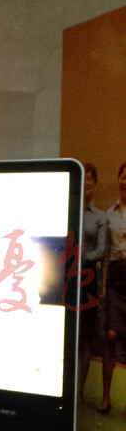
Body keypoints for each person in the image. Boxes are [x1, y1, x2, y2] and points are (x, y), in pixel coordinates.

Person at [100, 161, 126, 414]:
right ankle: (106, 398)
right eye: (124, 176)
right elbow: (106, 254)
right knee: (110, 337)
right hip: (114, 279)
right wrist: (104, 287)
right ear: (119, 180)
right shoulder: (109, 214)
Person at [79, 163, 105, 403]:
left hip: (87, 278)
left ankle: (79, 392)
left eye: (90, 178)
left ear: (95, 183)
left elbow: (102, 249)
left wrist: (82, 258)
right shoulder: (69, 210)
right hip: (65, 277)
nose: (86, 181)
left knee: (85, 336)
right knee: (67, 334)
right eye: (83, 177)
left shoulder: (100, 216)